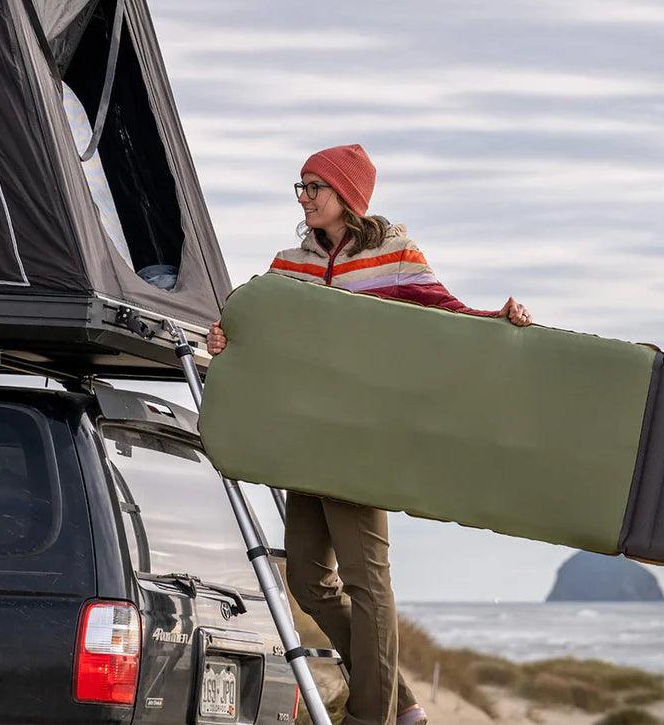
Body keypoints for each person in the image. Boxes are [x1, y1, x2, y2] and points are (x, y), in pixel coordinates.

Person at [206, 143, 533, 725]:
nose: (304, 198)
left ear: (347, 196)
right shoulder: (289, 265)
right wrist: (224, 339)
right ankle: (403, 703)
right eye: (301, 187)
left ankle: (370, 716)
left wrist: (500, 321)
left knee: (366, 582)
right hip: (306, 440)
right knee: (308, 579)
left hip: (362, 440)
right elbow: (255, 328)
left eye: (315, 187)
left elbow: (448, 314)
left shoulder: (394, 257)